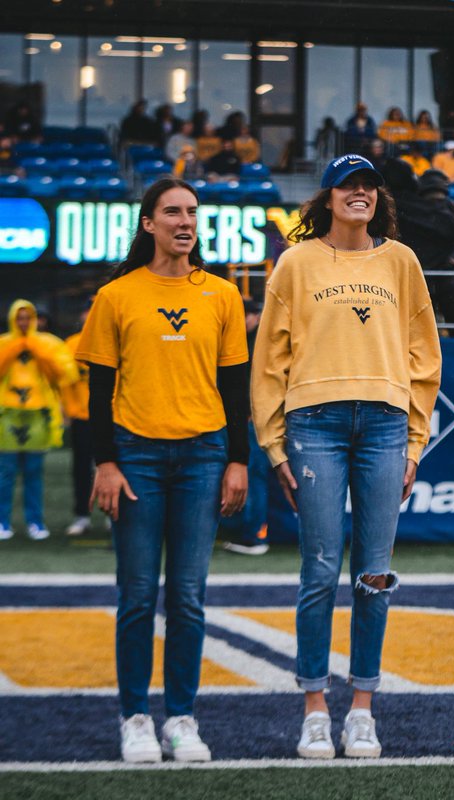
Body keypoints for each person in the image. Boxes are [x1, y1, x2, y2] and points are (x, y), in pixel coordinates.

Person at [251, 154, 441, 760]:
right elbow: (269, 360)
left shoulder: (402, 261)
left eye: (367, 187)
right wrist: (273, 444)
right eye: (346, 186)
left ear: (377, 198)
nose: (358, 194)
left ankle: (362, 708)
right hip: (314, 424)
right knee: (318, 570)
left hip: (386, 425)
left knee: (373, 575)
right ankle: (313, 709)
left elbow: (424, 357)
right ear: (327, 196)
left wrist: (415, 442)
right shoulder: (297, 263)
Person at [76, 177, 250, 763]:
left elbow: (235, 388)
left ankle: (181, 718)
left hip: (204, 456)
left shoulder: (222, 296)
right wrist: (105, 462)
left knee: (189, 596)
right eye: (171, 211)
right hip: (137, 458)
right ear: (148, 223)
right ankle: (134, 718)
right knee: (136, 594)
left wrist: (237, 461)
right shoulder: (117, 295)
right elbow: (99, 393)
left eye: (192, 212)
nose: (184, 221)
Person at [0, 300, 77, 541]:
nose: (23, 323)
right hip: (8, 414)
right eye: (19, 318)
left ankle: (35, 521)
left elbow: (66, 374)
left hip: (38, 415)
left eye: (27, 317)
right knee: (5, 473)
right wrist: (14, 349)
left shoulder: (48, 343)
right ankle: (2, 521)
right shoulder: (4, 343)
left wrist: (38, 350)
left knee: (34, 472)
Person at [396, 169, 454, 334]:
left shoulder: (450, 207)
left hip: (444, 274)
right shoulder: (409, 207)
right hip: (421, 274)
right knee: (420, 324)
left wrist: (453, 259)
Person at [221, 299, 271, 556]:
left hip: (255, 419)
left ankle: (254, 535)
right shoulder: (256, 338)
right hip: (253, 418)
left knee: (253, 477)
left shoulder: (261, 341)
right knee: (252, 476)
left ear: (253, 316)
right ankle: (250, 531)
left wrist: (252, 413)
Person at [63, 303, 95, 537]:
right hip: (83, 417)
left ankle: (113, 514)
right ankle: (82, 515)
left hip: (114, 418)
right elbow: (66, 382)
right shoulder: (72, 343)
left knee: (118, 467)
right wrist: (71, 411)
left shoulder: (116, 338)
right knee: (82, 469)